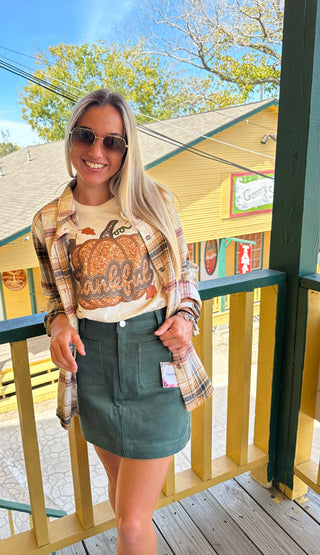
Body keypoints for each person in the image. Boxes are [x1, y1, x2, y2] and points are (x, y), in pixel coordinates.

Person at [32, 89, 213, 554]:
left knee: (131, 521)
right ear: (71, 139)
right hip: (92, 365)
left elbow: (186, 276)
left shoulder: (155, 203)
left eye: (112, 142)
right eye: (86, 136)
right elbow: (52, 298)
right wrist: (57, 328)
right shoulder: (48, 222)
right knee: (122, 504)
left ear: (127, 148)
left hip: (155, 358)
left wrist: (188, 318)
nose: (97, 152)